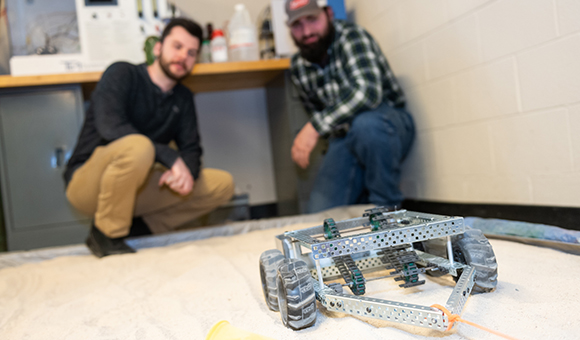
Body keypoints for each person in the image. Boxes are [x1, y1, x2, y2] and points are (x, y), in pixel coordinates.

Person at [64, 18, 234, 258]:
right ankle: (106, 235)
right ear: (157, 48)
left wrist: (186, 173)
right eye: (177, 46)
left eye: (191, 52)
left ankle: (138, 229)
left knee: (222, 184)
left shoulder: (183, 97)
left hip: (138, 185)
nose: (183, 56)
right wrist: (170, 157)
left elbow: (192, 150)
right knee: (138, 146)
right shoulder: (123, 73)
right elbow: (110, 127)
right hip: (87, 183)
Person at [285, 0, 415, 213]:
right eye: (297, 25)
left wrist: (314, 127)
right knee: (320, 216)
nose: (307, 31)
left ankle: (389, 211)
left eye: (312, 19)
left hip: (387, 124)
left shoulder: (352, 37)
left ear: (328, 14)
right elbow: (319, 114)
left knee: (366, 126)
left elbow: (368, 93)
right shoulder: (298, 66)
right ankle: (363, 195)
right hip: (344, 139)